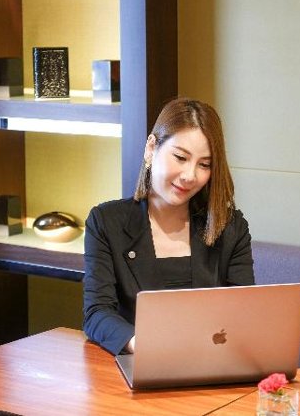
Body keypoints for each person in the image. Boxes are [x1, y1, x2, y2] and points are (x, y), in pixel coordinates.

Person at [82, 97, 255, 355]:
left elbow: (244, 314)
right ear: (151, 148)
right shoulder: (106, 222)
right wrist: (143, 345)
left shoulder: (230, 227)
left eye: (204, 164)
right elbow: (97, 314)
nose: (190, 176)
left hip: (212, 363)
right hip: (140, 361)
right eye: (180, 157)